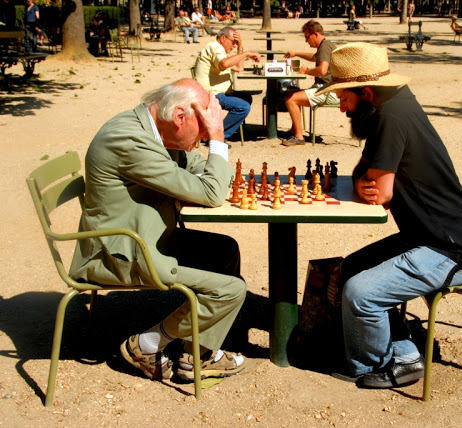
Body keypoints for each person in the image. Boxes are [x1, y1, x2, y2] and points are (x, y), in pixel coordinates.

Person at [315, 43, 462, 389]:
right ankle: (402, 350)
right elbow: (365, 173)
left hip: (449, 247)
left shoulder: (391, 117)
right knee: (350, 268)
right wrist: (368, 179)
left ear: (366, 92)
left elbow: (381, 192)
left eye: (344, 98)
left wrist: (369, 180)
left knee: (360, 294)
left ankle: (376, 364)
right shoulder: (392, 104)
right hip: (429, 234)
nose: (341, 108)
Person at [69, 79, 248, 382]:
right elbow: (213, 193)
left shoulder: (152, 127)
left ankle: (198, 353)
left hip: (144, 234)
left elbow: (191, 163)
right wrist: (218, 137)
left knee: (224, 250)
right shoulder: (129, 140)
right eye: (202, 131)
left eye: (207, 133)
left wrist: (206, 164)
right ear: (180, 117)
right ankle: (148, 343)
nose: (202, 140)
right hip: (122, 253)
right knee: (231, 290)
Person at [194, 26, 261, 141]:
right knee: (243, 107)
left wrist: (240, 46)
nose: (234, 45)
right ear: (222, 38)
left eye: (236, 43)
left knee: (246, 98)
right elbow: (224, 64)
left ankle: (224, 130)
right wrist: (245, 54)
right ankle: (217, 137)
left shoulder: (220, 51)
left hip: (221, 92)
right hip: (211, 94)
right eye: (233, 42)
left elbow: (239, 68)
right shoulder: (215, 48)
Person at [281, 20, 339, 147]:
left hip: (327, 90)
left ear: (316, 34)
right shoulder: (325, 45)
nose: (306, 41)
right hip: (329, 88)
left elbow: (322, 70)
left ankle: (299, 137)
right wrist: (296, 53)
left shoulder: (325, 46)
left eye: (307, 37)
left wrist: (306, 71)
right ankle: (294, 130)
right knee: (294, 93)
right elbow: (314, 57)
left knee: (291, 99)